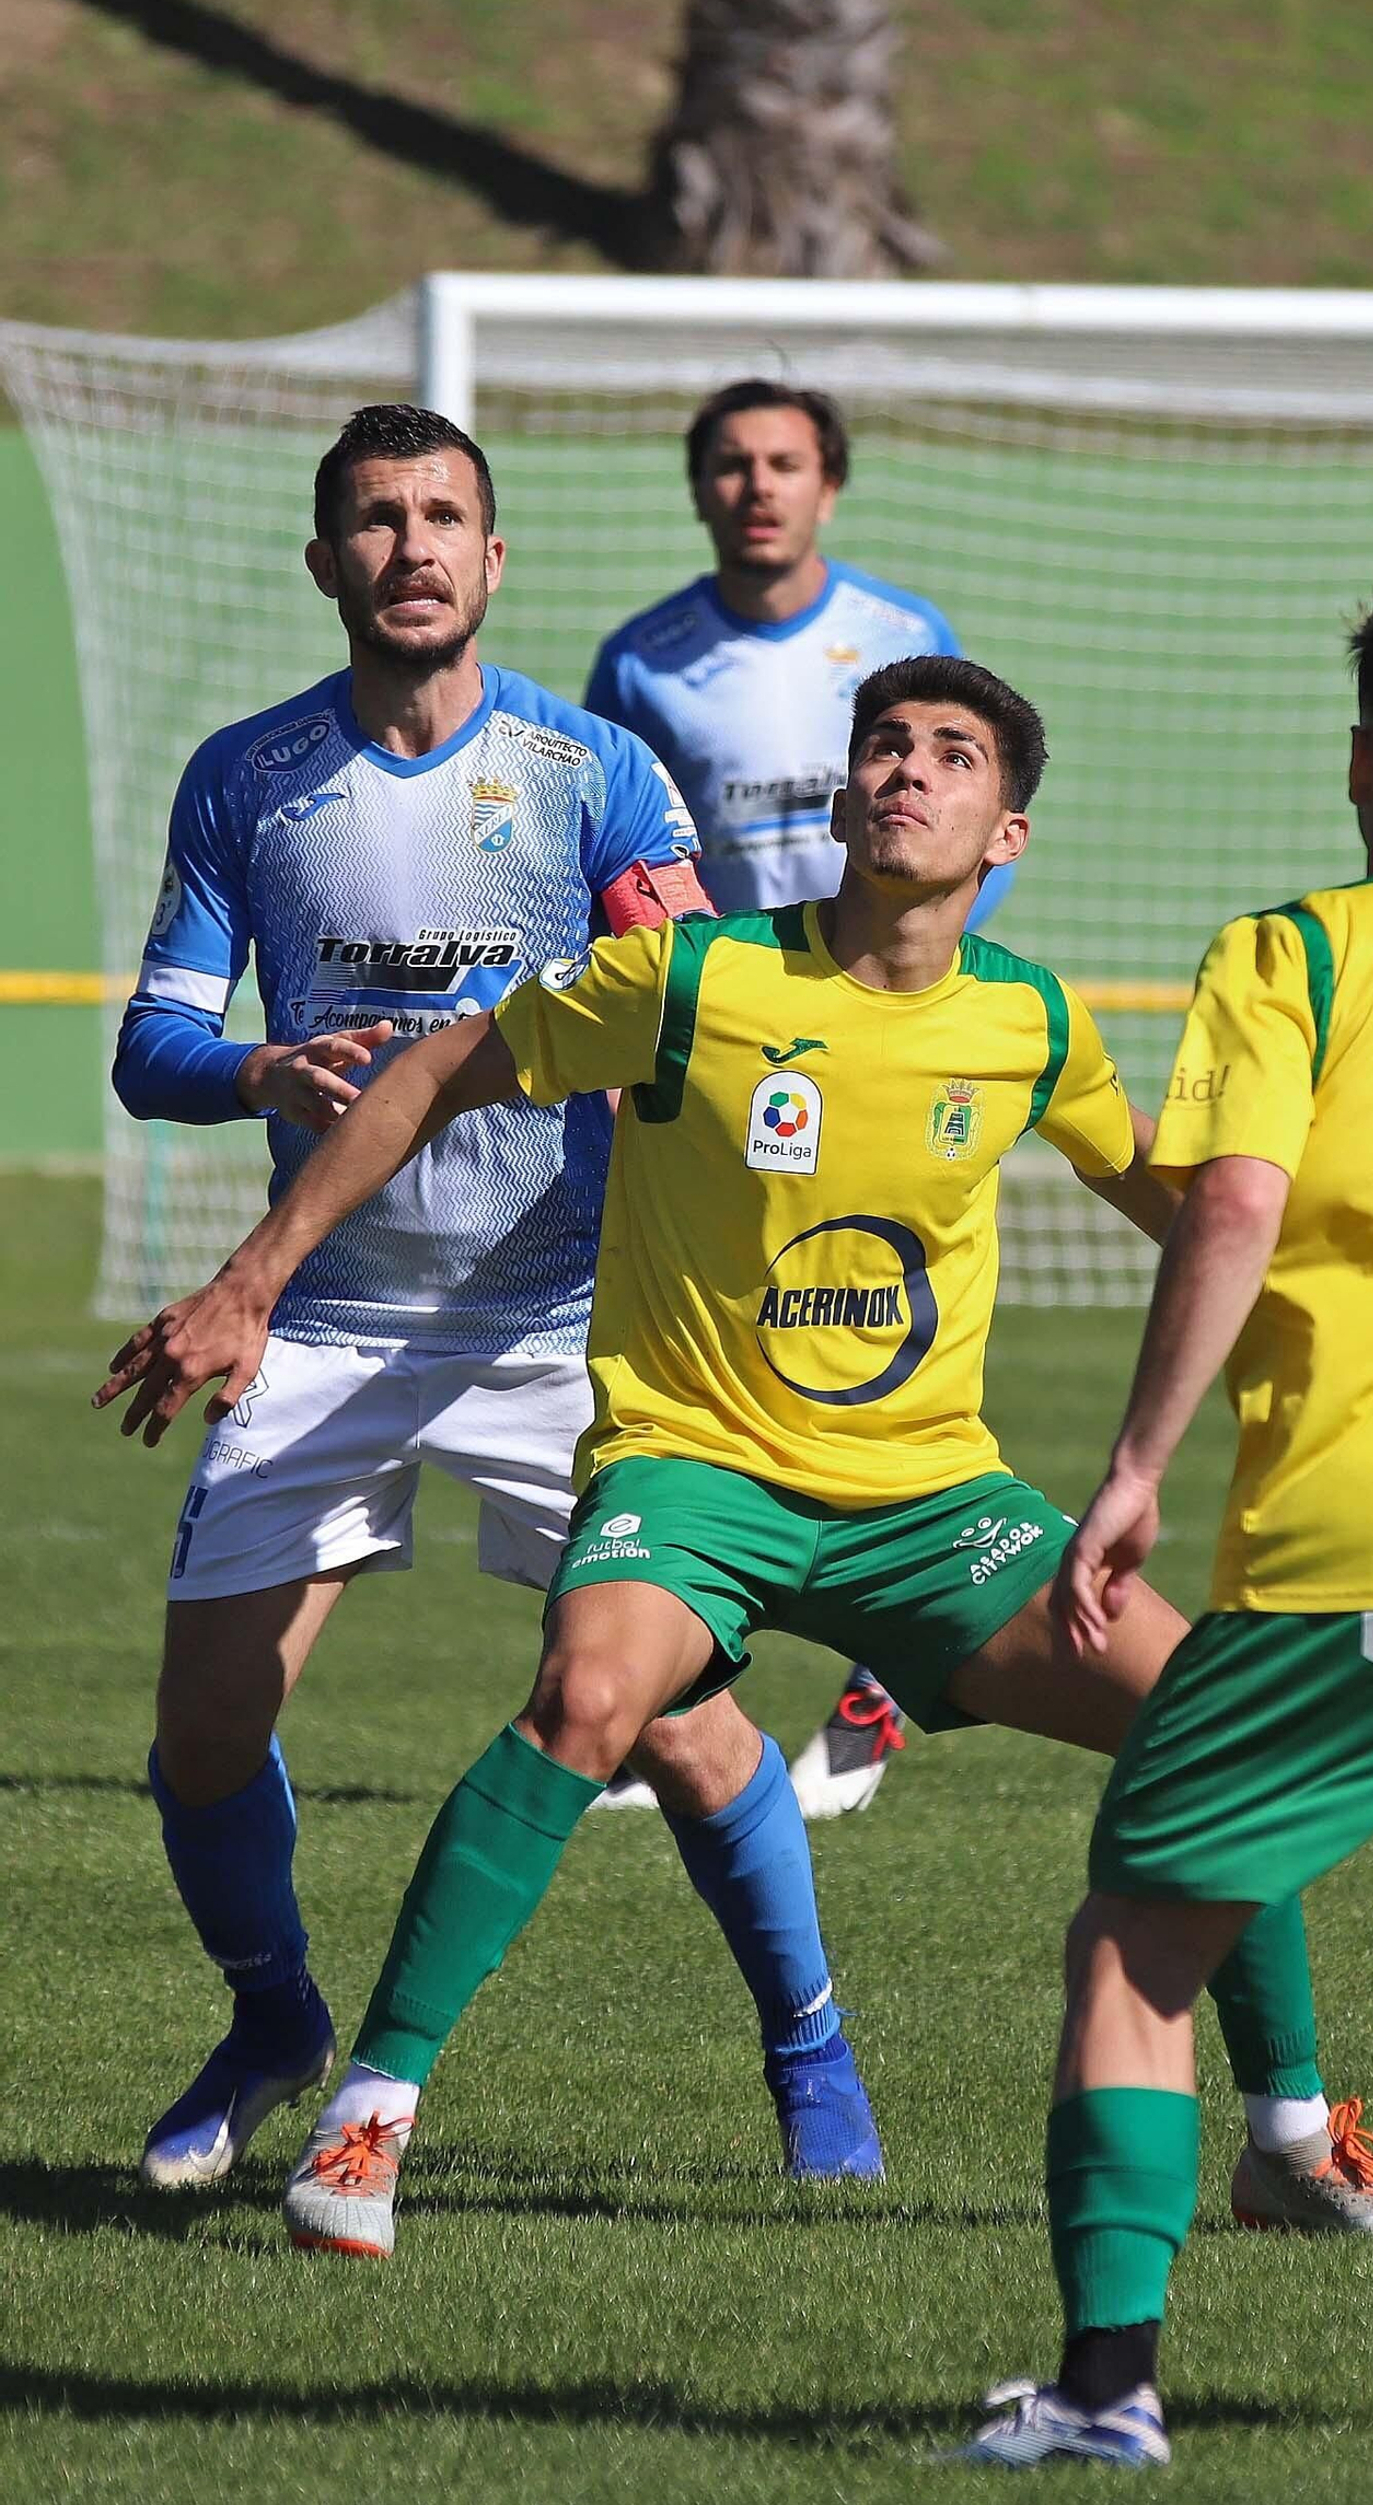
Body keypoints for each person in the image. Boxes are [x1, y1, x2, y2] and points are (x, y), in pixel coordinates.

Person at [98, 652, 1373, 2287]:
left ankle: (1292, 2141)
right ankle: (367, 2114)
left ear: (1006, 829)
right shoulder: (692, 978)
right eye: (882, 745)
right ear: (836, 790)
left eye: (950, 755)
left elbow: (1177, 1201)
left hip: (931, 1500)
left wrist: (1364, 1305)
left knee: (1218, 1725)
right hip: (699, 1474)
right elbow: (444, 1068)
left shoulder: (1031, 1015)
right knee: (589, 1700)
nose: (905, 772)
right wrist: (256, 1277)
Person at [113, 401, 881, 2196]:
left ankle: (809, 2043)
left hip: (567, 1330)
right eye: (376, 520)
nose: (412, 546)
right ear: (328, 562)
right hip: (330, 1322)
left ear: (494, 555)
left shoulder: (595, 767)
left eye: (443, 514)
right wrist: (261, 1069)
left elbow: (692, 990)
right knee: (205, 1729)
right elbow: (154, 1042)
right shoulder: (245, 776)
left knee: (682, 1723)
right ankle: (271, 2016)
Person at [963, 572, 1373, 2474]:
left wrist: (1141, 1460)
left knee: (1145, 1941)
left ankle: (1101, 2396)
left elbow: (1231, 1205)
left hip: (1353, 1568)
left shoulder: (1293, 953)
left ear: (1356, 762)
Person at [587, 377, 997, 1818]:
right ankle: (687, 1702)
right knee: (722, 1378)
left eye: (785, 462)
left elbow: (961, 826)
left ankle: (881, 1676)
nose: (758, 486)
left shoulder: (904, 637)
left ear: (830, 485)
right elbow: (614, 861)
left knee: (883, 1339)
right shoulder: (640, 661)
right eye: (731, 464)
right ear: (699, 488)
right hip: (718, 1066)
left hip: (884, 1051)